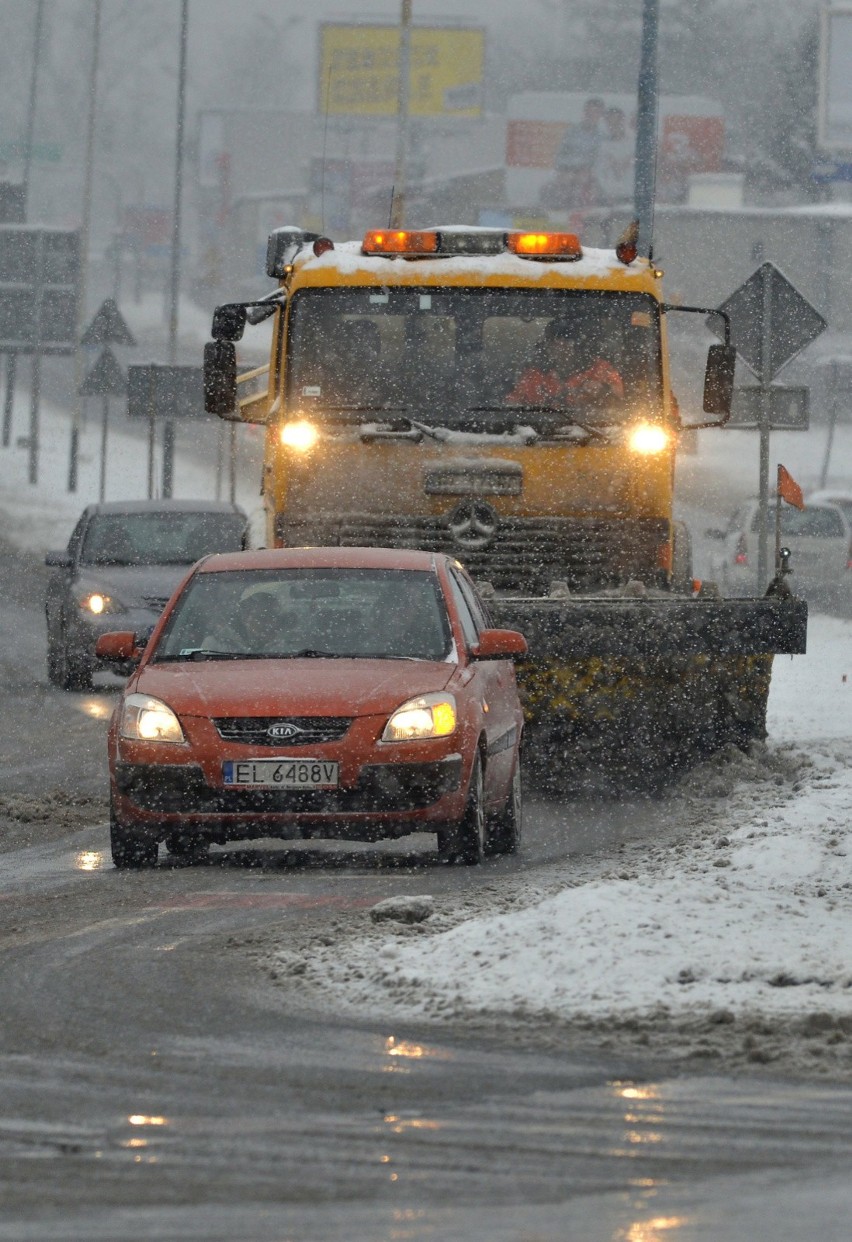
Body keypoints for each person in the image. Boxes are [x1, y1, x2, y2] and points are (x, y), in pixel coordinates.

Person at [506, 318, 624, 410]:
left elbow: (621, 407)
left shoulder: (601, 370)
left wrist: (603, 391)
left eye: (566, 340)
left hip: (592, 430)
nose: (559, 345)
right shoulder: (534, 374)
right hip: (541, 433)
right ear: (546, 345)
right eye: (553, 341)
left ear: (578, 345)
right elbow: (512, 406)